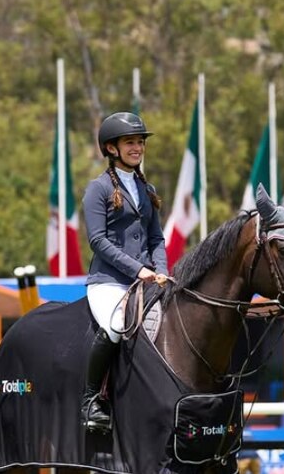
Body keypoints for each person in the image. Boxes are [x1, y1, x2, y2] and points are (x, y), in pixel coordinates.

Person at [80, 111, 169, 434]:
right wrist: (139, 269)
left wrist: (162, 270)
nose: (137, 148)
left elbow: (156, 238)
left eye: (140, 142)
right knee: (116, 326)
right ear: (111, 148)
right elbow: (97, 241)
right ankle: (91, 401)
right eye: (130, 142)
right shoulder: (98, 188)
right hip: (109, 282)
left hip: (147, 280)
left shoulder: (147, 188)